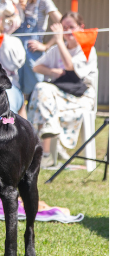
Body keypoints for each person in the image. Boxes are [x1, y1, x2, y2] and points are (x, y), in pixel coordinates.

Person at [25, 11, 98, 169]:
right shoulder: (58, 48)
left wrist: (58, 41)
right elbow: (37, 66)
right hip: (61, 96)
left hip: (82, 97)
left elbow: (70, 65)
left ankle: (42, 150)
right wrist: (52, 72)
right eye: (64, 27)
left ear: (81, 27)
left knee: (42, 90)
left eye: (71, 27)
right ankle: (49, 143)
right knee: (41, 89)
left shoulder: (87, 49)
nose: (67, 31)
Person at [11, 0, 62, 119]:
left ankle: (35, 128)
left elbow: (62, 23)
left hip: (34, 52)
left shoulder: (44, 0)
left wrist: (46, 45)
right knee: (15, 88)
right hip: (14, 51)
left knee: (36, 89)